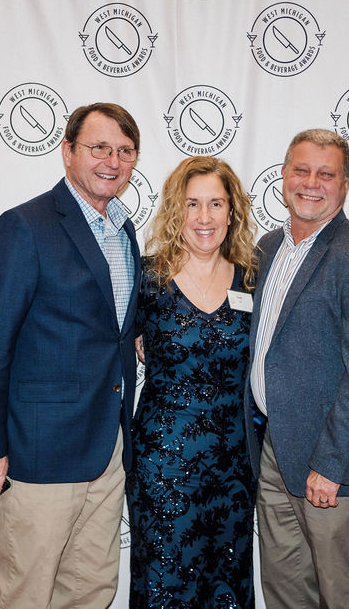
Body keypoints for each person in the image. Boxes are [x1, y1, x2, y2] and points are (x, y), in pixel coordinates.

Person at [0, 102, 142, 609]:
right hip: (40, 451)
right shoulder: (25, 226)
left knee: (91, 590)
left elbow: (110, 328)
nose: (112, 160)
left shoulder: (124, 230)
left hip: (107, 447)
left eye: (125, 151)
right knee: (26, 593)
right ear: (67, 152)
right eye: (99, 147)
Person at [244, 129, 349, 608]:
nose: (311, 183)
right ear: (284, 175)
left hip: (334, 466)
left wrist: (331, 466)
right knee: (285, 593)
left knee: (341, 597)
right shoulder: (267, 248)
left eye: (326, 174)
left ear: (346, 184)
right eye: (301, 170)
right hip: (273, 453)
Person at [127, 156, 258, 608]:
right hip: (162, 465)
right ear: (175, 211)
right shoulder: (147, 278)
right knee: (166, 583)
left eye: (216, 204)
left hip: (234, 466)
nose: (204, 217)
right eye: (192, 204)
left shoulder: (252, 279)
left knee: (226, 585)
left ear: (232, 212)